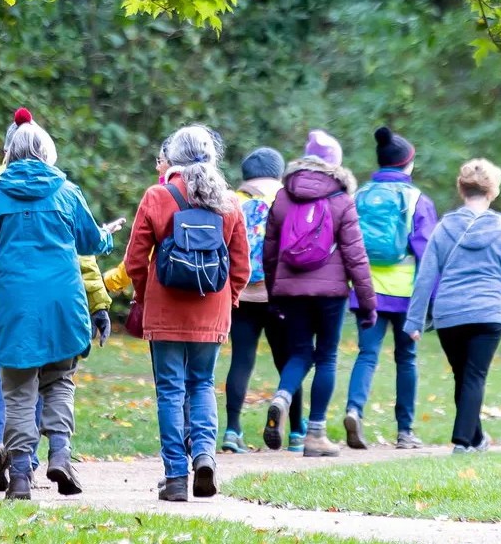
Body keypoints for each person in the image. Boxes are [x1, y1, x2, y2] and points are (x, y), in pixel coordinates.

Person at [0, 108, 113, 492]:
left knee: (18, 389)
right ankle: (60, 455)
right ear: (47, 151)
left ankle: (20, 474)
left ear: (9, 153)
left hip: (14, 305)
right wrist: (105, 236)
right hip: (63, 305)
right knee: (59, 381)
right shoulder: (67, 192)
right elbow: (89, 243)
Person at [124, 125, 250, 502]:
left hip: (164, 309)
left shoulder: (157, 195)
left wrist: (144, 296)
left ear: (173, 158)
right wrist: (231, 298)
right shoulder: (228, 201)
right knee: (203, 384)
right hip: (211, 310)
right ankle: (205, 456)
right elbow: (241, 264)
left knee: (169, 390)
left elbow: (135, 260)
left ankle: (176, 476)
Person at [405, 158, 501, 454]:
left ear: (461, 189)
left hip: (449, 313)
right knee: (473, 376)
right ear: (493, 191)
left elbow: (426, 276)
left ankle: (476, 439)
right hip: (488, 312)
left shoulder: (444, 227)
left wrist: (414, 321)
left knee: (464, 376)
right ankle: (464, 441)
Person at [262, 130, 377, 457]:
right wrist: (368, 304)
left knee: (299, 352)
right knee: (326, 355)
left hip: (291, 289)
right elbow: (356, 255)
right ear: (336, 164)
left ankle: (282, 397)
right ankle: (315, 435)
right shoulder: (341, 199)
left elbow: (269, 252)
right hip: (331, 293)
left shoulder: (283, 197)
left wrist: (275, 293)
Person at [344, 128, 437, 450]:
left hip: (365, 289)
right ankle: (405, 431)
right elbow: (427, 253)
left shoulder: (360, 196)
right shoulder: (417, 200)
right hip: (406, 292)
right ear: (406, 165)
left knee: (367, 355)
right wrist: (432, 300)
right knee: (406, 358)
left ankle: (354, 410)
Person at [222, 147, 308, 454]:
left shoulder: (230, 201)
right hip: (280, 294)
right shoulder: (289, 201)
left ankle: (232, 430)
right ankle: (297, 431)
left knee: (242, 360)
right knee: (290, 359)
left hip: (242, 294)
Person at [103, 138, 171, 294]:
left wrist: (141, 296)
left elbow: (138, 257)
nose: (157, 167)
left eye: (160, 161)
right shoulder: (216, 197)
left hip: (160, 295)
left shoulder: (159, 197)